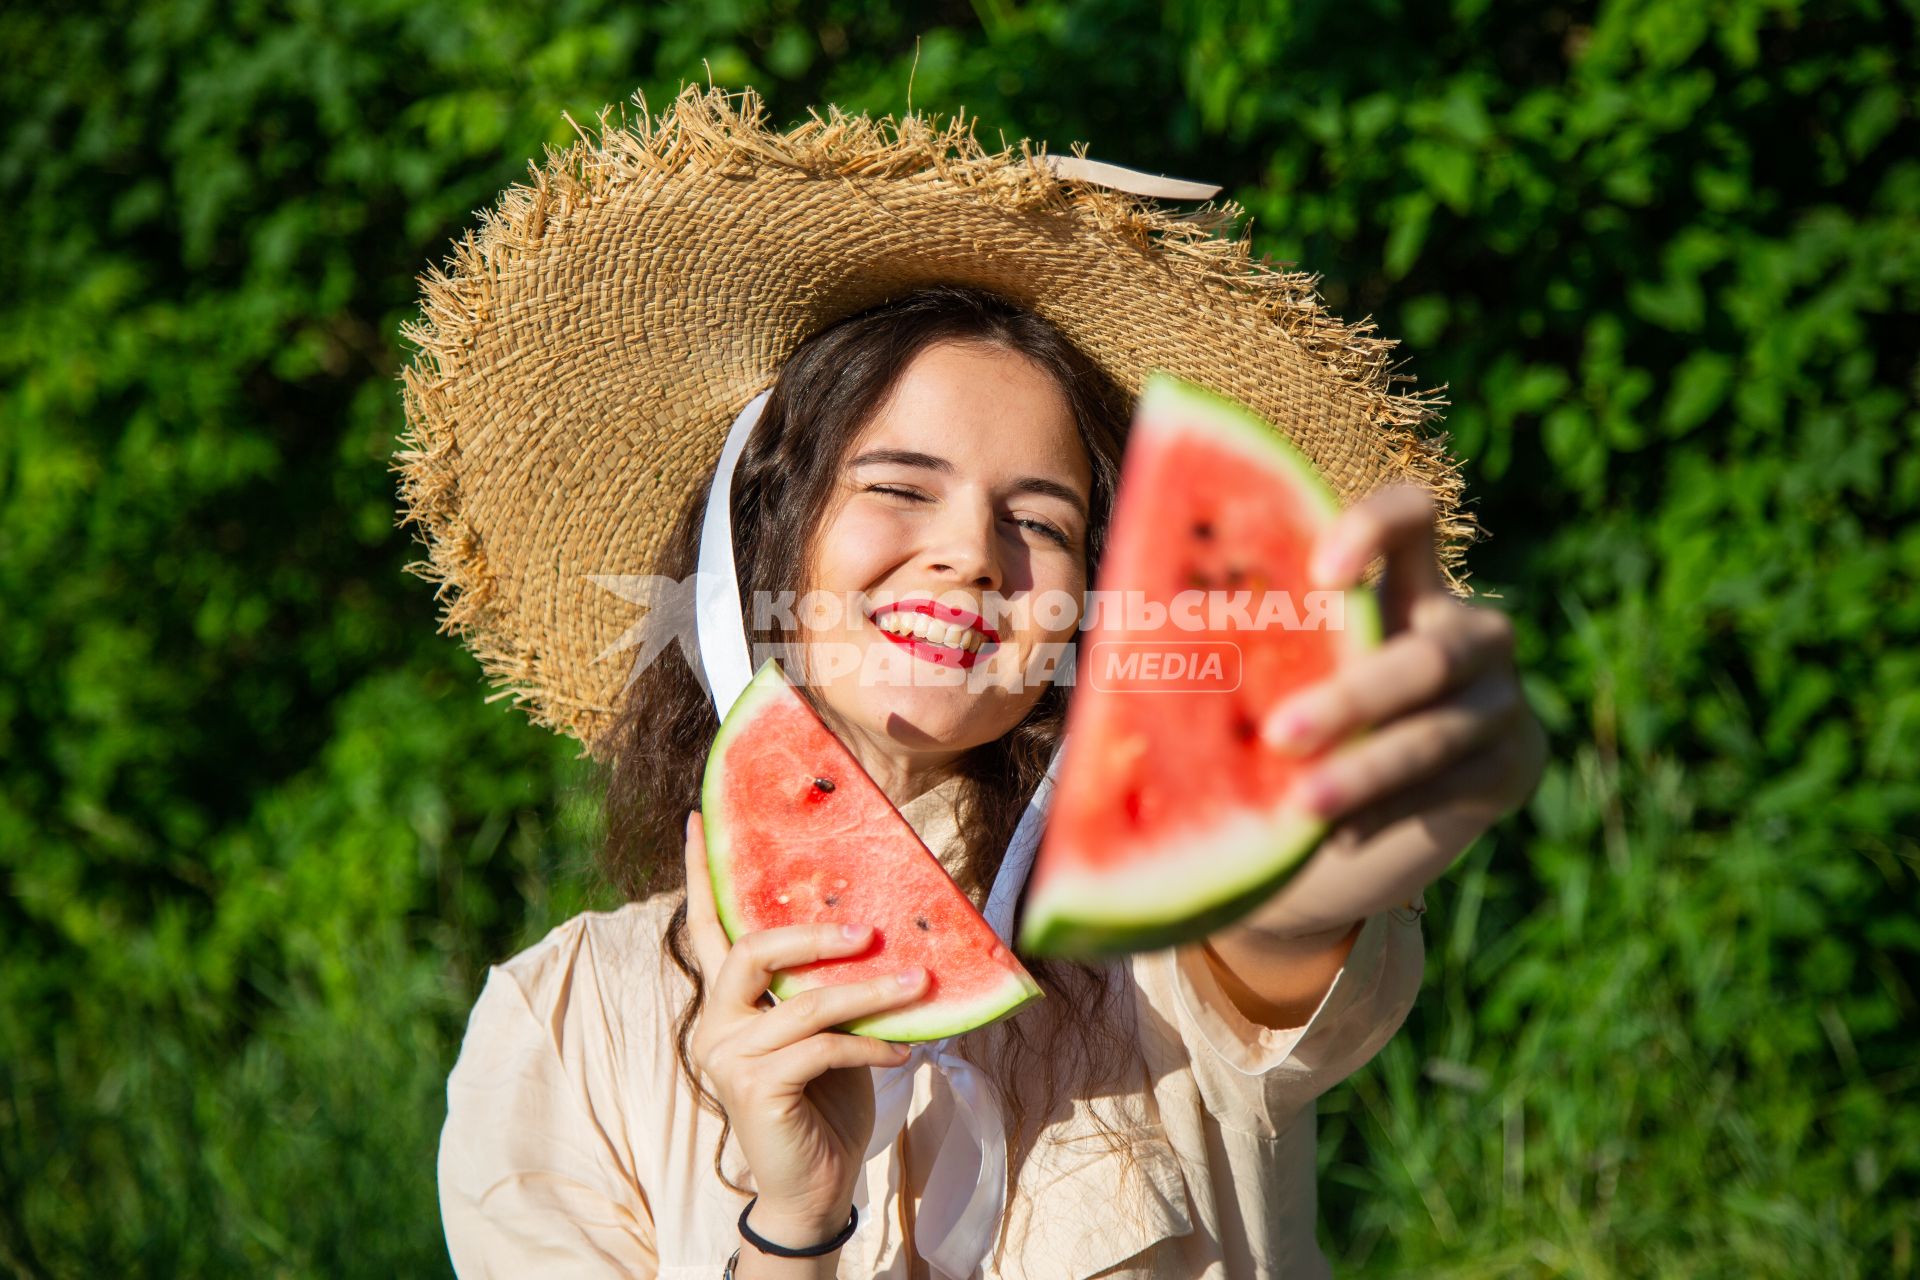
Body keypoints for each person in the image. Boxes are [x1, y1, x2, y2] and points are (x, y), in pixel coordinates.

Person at [401, 87, 1545, 1279]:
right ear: (765, 536)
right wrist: (794, 1217)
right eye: (899, 486)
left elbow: (1286, 914)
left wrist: (1355, 811)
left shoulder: (1153, 918)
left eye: (1039, 520)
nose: (970, 554)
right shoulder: (563, 1023)